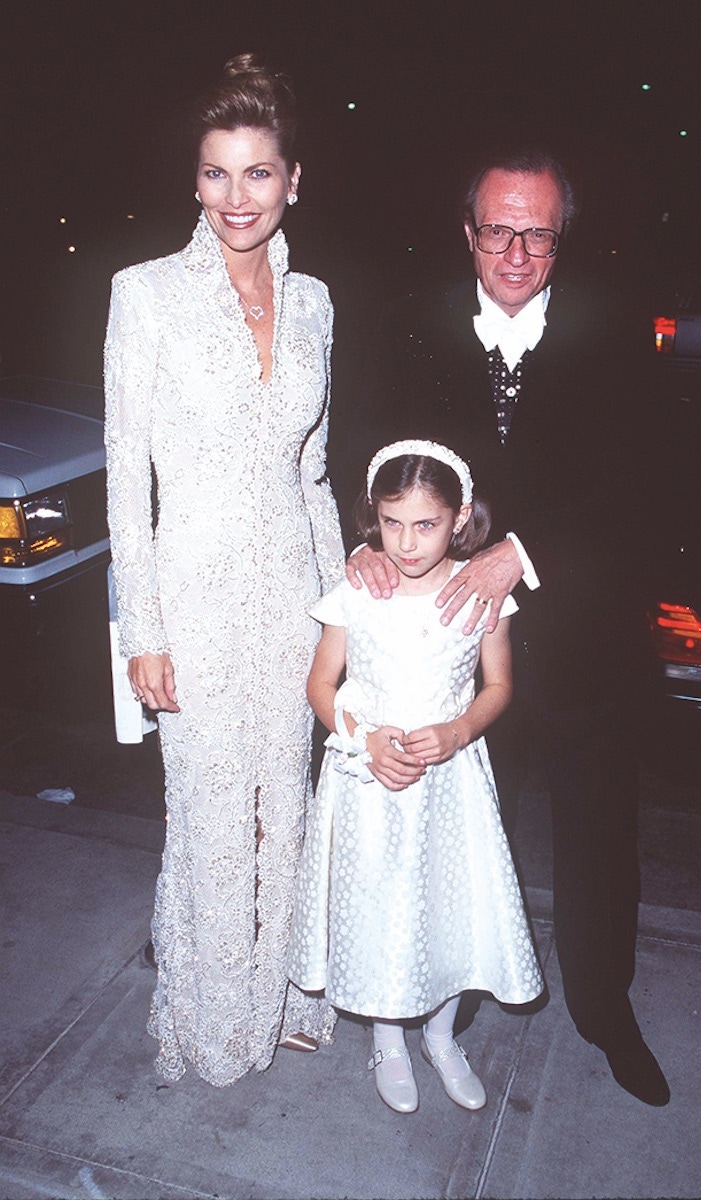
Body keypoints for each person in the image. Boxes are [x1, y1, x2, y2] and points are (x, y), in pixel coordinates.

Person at [333, 149, 670, 1106]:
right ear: (467, 233)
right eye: (496, 229)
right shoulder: (411, 324)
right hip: (453, 653)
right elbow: (362, 446)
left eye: (538, 233)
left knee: (600, 837)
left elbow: (643, 492)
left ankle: (607, 1011)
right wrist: (365, 540)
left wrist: (517, 551)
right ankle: (464, 987)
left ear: (562, 238)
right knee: (467, 831)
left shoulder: (616, 337)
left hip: (580, 645)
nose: (515, 251)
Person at [104, 54, 344, 1087]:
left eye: (257, 173)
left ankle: (285, 1000)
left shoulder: (319, 305)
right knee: (206, 815)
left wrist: (346, 623)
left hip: (294, 600)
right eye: (215, 174)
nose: (235, 197)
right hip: (192, 609)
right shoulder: (144, 295)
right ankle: (208, 1024)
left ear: (295, 179)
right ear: (192, 181)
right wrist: (141, 630)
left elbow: (319, 475)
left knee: (282, 805)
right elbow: (126, 480)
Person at [287, 441, 543, 1113]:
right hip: (369, 777)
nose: (406, 542)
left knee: (446, 904)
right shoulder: (358, 590)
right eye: (392, 522)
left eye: (425, 524)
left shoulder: (483, 592)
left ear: (459, 519)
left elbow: (499, 685)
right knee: (379, 905)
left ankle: (441, 1035)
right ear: (374, 515)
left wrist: (460, 730)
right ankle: (388, 1039)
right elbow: (321, 681)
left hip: (448, 779)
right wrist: (360, 738)